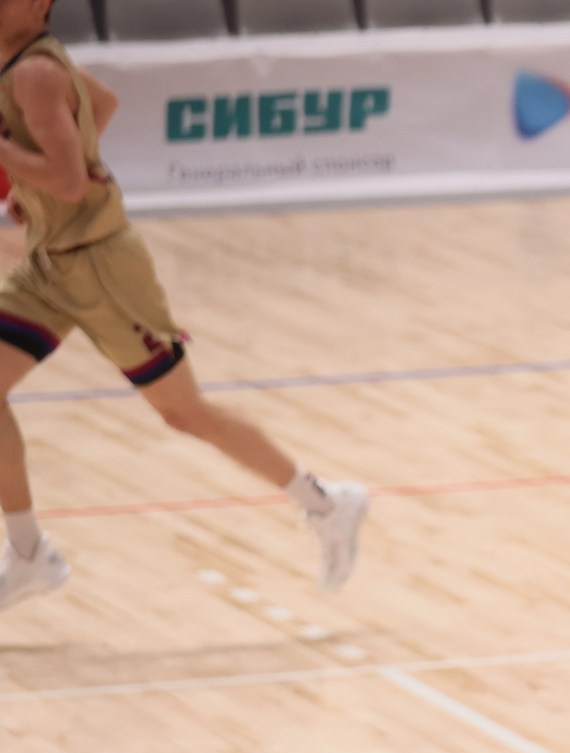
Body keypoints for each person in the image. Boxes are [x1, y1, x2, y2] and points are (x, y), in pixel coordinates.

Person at [0, 0, 367, 617]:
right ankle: (29, 551)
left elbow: (66, 182)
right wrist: (37, 193)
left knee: (184, 413)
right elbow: (103, 107)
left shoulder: (36, 73)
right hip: (52, 262)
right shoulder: (19, 62)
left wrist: (42, 176)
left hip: (102, 269)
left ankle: (326, 502)